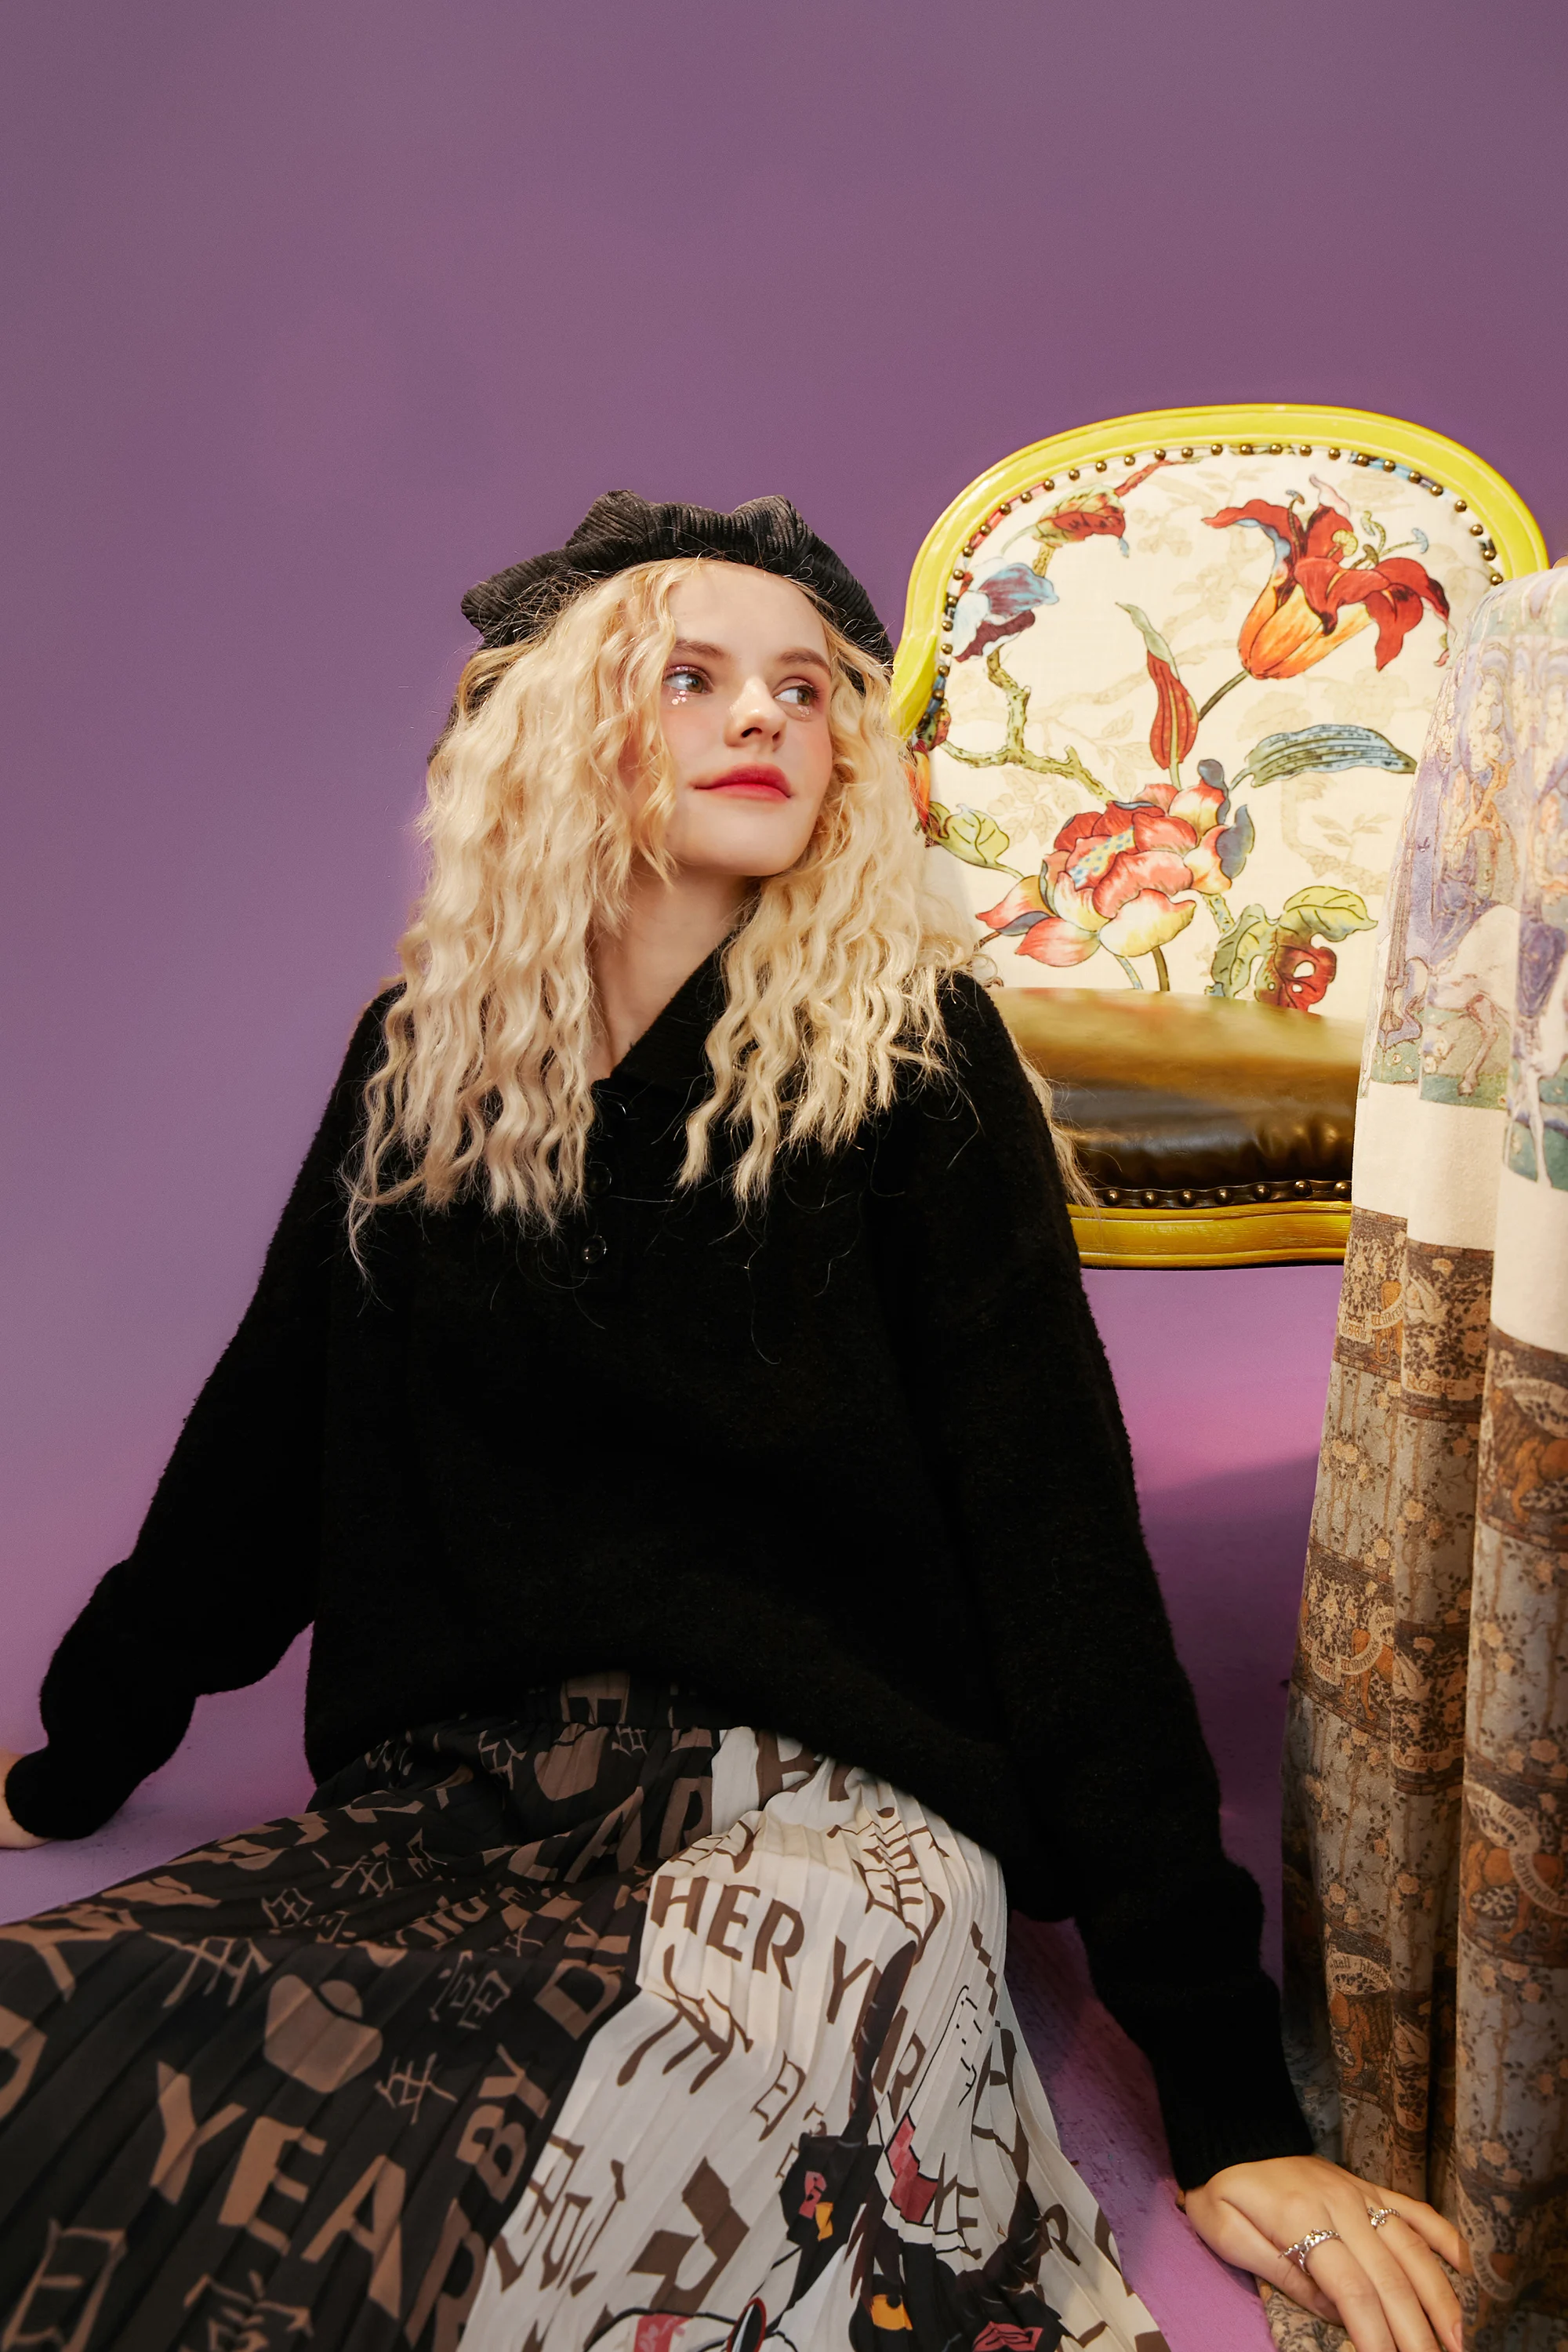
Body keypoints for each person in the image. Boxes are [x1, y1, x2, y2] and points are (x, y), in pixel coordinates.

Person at [0, 494, 1464, 2352]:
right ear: (554, 731)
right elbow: (258, 1463)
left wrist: (1232, 2107)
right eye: (689, 677)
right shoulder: (419, 1067)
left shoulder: (916, 1064)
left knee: (626, 2160)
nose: (764, 714)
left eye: (802, 686)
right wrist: (77, 1757)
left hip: (830, 1818)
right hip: (477, 1802)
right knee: (74, 2056)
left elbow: (1060, 1564)